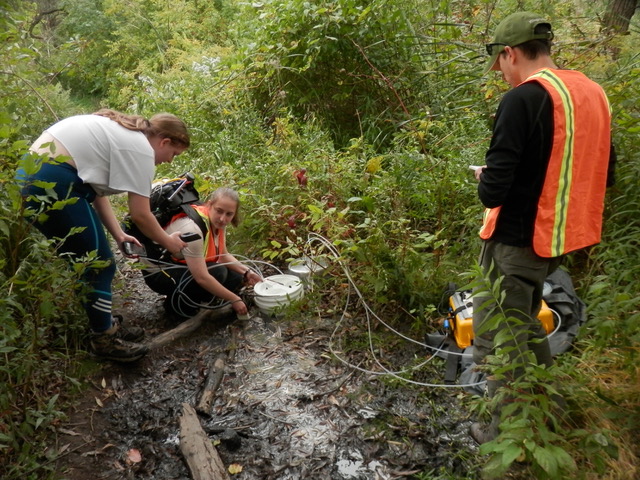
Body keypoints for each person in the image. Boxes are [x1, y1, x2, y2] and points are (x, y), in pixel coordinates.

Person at [469, 12, 615, 444]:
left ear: (510, 53)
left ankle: (503, 436)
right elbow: (602, 174)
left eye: (501, 65)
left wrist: (485, 176)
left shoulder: (522, 99)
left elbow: (493, 193)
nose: (503, 76)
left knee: (499, 339)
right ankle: (547, 403)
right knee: (525, 320)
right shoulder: (592, 93)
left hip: (516, 241)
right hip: (557, 239)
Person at [17, 109, 191, 362]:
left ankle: (103, 323)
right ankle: (103, 339)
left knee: (87, 260)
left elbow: (95, 190)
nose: (169, 161)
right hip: (53, 179)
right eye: (173, 153)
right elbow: (141, 215)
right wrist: (169, 243)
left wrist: (118, 234)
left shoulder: (126, 136)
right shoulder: (141, 149)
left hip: (36, 175)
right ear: (164, 141)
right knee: (99, 265)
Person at [140, 187, 261, 320]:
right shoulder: (193, 230)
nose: (222, 218)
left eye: (229, 214)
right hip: (159, 273)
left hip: (181, 265)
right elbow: (202, 278)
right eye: (219, 211)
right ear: (209, 205)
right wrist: (234, 299)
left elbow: (222, 255)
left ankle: (201, 297)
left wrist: (247, 272)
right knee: (218, 272)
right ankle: (176, 306)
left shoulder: (217, 223)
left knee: (236, 276)